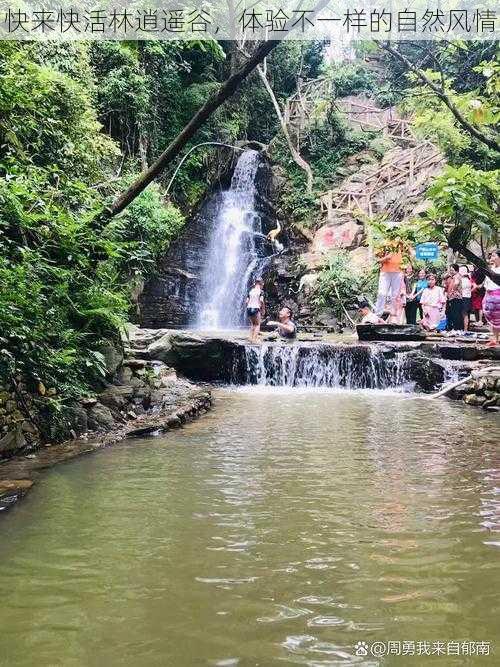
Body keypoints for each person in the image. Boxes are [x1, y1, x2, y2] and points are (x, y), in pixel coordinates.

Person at [374, 245, 404, 317]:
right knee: (382, 293)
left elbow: (409, 253)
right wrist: (386, 258)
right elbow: (377, 260)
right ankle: (378, 314)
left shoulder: (401, 243)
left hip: (398, 271)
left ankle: (393, 313)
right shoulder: (383, 245)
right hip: (385, 272)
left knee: (395, 294)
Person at [482, 249, 500, 347]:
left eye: (494, 256)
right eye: (491, 256)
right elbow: (487, 285)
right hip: (489, 296)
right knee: (493, 320)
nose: (491, 258)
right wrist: (485, 298)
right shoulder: (490, 269)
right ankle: (495, 339)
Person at [444, 263, 464, 331]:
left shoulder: (457, 276)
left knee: (456, 314)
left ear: (456, 270)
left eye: (452, 270)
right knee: (454, 313)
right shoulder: (454, 276)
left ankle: (457, 328)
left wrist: (452, 291)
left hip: (456, 297)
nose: (451, 271)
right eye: (450, 270)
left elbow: (456, 283)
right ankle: (456, 328)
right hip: (453, 298)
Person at [246, 278, 265, 343]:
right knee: (257, 324)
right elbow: (261, 301)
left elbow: (246, 301)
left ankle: (250, 338)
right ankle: (254, 339)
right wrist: (263, 309)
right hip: (256, 308)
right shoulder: (261, 291)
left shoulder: (250, 291)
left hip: (249, 308)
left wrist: (248, 307)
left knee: (253, 324)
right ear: (261, 283)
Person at [459, 265, 472, 331]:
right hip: (468, 298)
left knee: (464, 314)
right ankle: (465, 328)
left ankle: (465, 329)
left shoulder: (463, 280)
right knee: (466, 314)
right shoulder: (468, 280)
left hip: (464, 298)